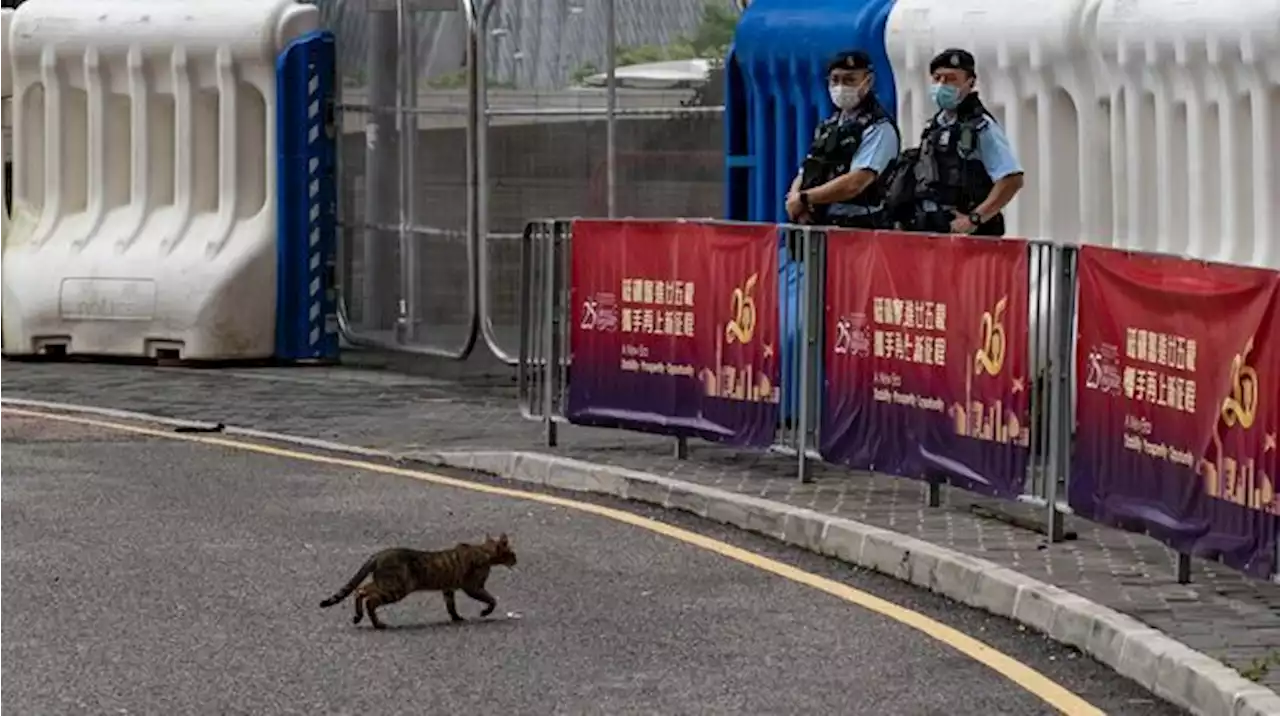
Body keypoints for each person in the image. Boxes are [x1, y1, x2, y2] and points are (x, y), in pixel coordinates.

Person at [902, 48, 1024, 236]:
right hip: (935, 229)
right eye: (937, 78)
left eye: (951, 79)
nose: (942, 85)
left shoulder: (981, 126)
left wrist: (975, 218)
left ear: (970, 83)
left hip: (970, 238)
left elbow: (1012, 179)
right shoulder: (935, 125)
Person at [784, 49, 901, 229]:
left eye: (849, 80)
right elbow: (807, 168)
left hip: (860, 229)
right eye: (835, 80)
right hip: (822, 225)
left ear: (868, 81)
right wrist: (795, 199)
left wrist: (806, 198)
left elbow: (855, 183)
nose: (841, 87)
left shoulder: (879, 127)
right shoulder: (830, 125)